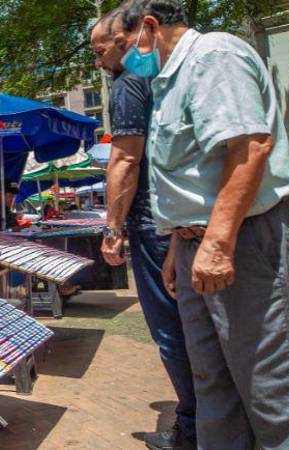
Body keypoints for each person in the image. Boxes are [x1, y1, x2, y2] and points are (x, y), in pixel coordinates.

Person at [114, 1, 289, 448]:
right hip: (198, 244)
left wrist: (217, 243)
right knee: (213, 383)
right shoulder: (167, 81)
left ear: (149, 27)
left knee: (271, 388)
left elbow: (248, 148)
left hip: (244, 238)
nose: (120, 58)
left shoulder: (213, 56)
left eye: (123, 44)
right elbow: (188, 178)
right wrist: (179, 243)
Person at [91, 6, 195, 449]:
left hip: (155, 220)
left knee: (172, 331)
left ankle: (192, 428)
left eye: (101, 51)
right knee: (195, 328)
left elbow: (126, 158)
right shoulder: (164, 77)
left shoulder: (129, 83)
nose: (99, 62)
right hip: (179, 218)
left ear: (126, 38)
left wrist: (113, 227)